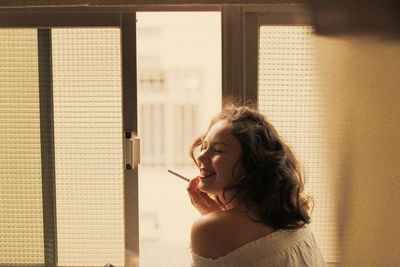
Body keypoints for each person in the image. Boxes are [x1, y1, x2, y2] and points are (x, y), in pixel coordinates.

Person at [187, 104, 326, 267]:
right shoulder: (292, 215)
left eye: (218, 150)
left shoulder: (208, 230)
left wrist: (213, 218)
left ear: (251, 164)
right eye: (204, 147)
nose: (201, 158)